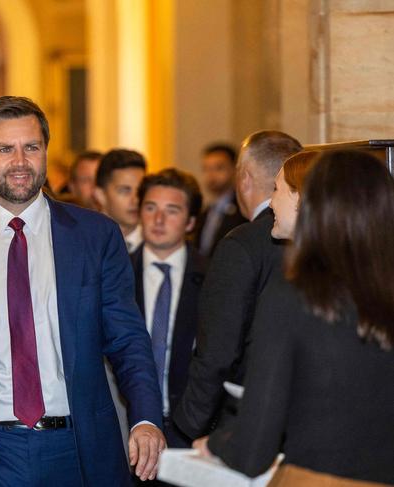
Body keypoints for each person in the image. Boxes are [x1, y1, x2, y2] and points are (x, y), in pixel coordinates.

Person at [0, 96, 165, 487]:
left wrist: (145, 417)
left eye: (31, 147)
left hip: (77, 450)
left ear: (45, 151)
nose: (20, 162)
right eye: (5, 149)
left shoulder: (95, 236)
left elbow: (128, 339)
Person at [195, 150, 394, 486]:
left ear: (309, 202)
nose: (270, 203)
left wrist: (214, 443)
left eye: (277, 191)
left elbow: (253, 449)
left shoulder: (293, 295)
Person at [174, 130, 302, 440]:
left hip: (245, 422)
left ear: (243, 178)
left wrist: (187, 426)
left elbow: (218, 349)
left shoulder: (241, 244)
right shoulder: (330, 240)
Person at [130, 168, 206, 453]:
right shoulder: (117, 273)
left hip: (191, 432)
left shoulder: (214, 277)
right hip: (130, 426)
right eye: (150, 208)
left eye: (171, 210)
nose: (158, 219)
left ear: (191, 222)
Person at [193, 143, 247, 257]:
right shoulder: (204, 212)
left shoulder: (244, 210)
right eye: (206, 169)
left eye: (219, 168)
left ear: (235, 169)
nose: (211, 175)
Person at [94, 148, 147, 253]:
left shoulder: (157, 244)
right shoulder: (84, 241)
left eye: (140, 190)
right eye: (125, 190)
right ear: (100, 195)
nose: (136, 200)